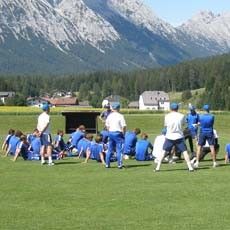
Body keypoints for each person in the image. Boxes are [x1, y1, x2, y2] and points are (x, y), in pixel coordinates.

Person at [154, 102, 194, 172]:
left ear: (171, 108)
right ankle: (190, 167)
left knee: (163, 152)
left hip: (169, 136)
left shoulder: (167, 116)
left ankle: (157, 168)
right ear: (177, 108)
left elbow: (166, 126)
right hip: (179, 136)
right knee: (184, 152)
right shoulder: (182, 116)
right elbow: (184, 125)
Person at [105, 102, 126, 169]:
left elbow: (107, 126)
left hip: (110, 133)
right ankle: (119, 164)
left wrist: (109, 131)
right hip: (118, 133)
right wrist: (123, 133)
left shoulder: (109, 116)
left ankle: (107, 164)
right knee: (119, 149)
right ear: (118, 108)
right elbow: (124, 126)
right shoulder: (120, 116)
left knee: (110, 149)